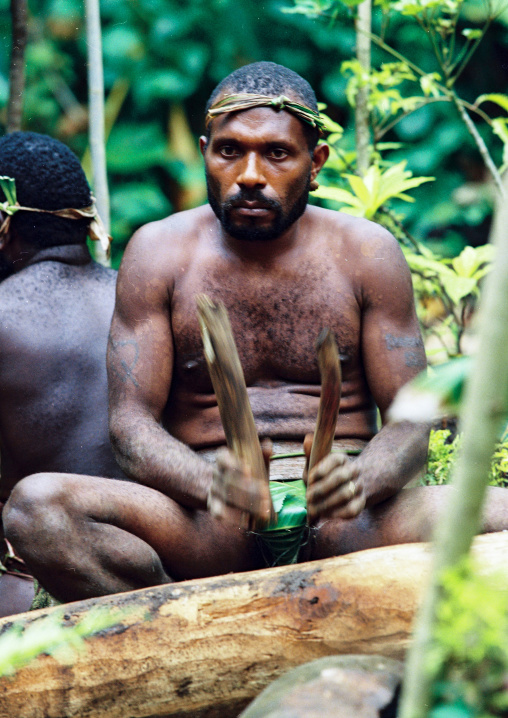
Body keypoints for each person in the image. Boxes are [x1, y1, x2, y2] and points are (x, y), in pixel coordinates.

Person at [4, 63, 508, 604]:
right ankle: (173, 625)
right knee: (37, 507)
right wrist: (212, 486)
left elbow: (412, 420)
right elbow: (130, 425)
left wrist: (360, 482)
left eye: (276, 153)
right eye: (229, 151)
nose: (249, 173)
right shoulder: (158, 253)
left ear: (315, 163)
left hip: (348, 522)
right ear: (204, 152)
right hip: (209, 524)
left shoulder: (366, 252)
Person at [0, 131, 126, 616]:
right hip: (163, 556)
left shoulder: (5, 318)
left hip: (49, 579)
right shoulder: (141, 302)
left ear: (4, 225)